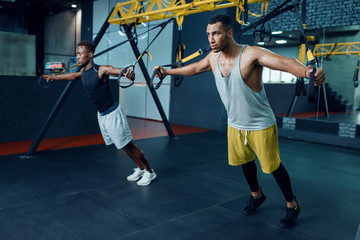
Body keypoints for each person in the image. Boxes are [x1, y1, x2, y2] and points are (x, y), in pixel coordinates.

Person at [154, 14, 325, 228]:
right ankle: (257, 195)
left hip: (260, 124)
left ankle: (292, 205)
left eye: (215, 33)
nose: (211, 39)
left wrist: (308, 72)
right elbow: (195, 68)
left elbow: (285, 63)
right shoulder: (212, 58)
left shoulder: (250, 54)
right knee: (245, 162)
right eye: (208, 34)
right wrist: (167, 71)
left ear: (229, 32)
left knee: (273, 167)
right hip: (235, 124)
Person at [44, 40, 156, 186]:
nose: (77, 56)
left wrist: (125, 72)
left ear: (89, 55)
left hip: (113, 114)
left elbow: (115, 70)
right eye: (76, 53)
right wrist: (53, 77)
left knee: (129, 144)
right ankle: (140, 168)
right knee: (122, 145)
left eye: (80, 54)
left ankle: (150, 171)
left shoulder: (101, 70)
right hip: (102, 115)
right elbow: (72, 76)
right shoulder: (82, 72)